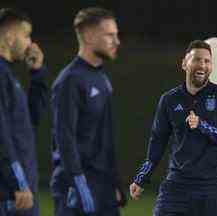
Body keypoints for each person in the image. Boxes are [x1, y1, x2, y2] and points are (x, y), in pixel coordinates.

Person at [130, 40, 217, 216]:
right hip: (177, 186)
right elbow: (157, 142)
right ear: (184, 63)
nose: (202, 65)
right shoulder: (169, 99)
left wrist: (203, 126)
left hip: (212, 188)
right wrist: (142, 177)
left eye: (207, 61)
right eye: (197, 59)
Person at [0, 8, 48, 216]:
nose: (30, 43)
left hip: (17, 192)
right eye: (26, 35)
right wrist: (19, 183)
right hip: (13, 195)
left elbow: (29, 121)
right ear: (10, 37)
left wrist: (37, 74)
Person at [50, 7, 126, 216]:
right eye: (110, 35)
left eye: (116, 35)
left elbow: (106, 138)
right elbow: (64, 138)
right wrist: (79, 183)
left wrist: (114, 181)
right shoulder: (69, 80)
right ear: (89, 36)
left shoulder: (103, 80)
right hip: (75, 187)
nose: (116, 41)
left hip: (102, 185)